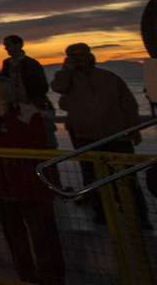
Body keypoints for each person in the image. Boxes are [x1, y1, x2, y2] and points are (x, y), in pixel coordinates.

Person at [0, 77, 65, 285]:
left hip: (33, 189)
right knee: (16, 241)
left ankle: (52, 280)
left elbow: (31, 143)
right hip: (2, 189)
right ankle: (27, 278)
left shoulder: (30, 113)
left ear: (11, 93)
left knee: (45, 240)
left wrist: (6, 119)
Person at [51, 42, 151, 229]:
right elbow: (58, 87)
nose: (78, 59)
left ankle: (139, 217)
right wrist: (67, 70)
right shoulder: (68, 79)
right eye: (74, 55)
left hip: (116, 135)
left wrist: (134, 130)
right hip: (85, 137)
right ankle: (102, 214)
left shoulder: (109, 78)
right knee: (94, 178)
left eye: (81, 55)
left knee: (127, 178)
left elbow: (129, 105)